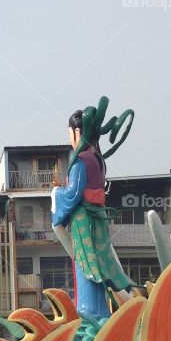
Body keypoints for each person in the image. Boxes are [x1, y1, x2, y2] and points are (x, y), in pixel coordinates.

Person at [51, 103, 133, 319]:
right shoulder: (98, 159)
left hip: (83, 218)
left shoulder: (80, 160)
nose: (70, 138)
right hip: (98, 217)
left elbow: (73, 194)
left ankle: (89, 309)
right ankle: (99, 309)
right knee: (99, 261)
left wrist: (56, 193)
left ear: (77, 132)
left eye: (70, 133)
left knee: (86, 262)